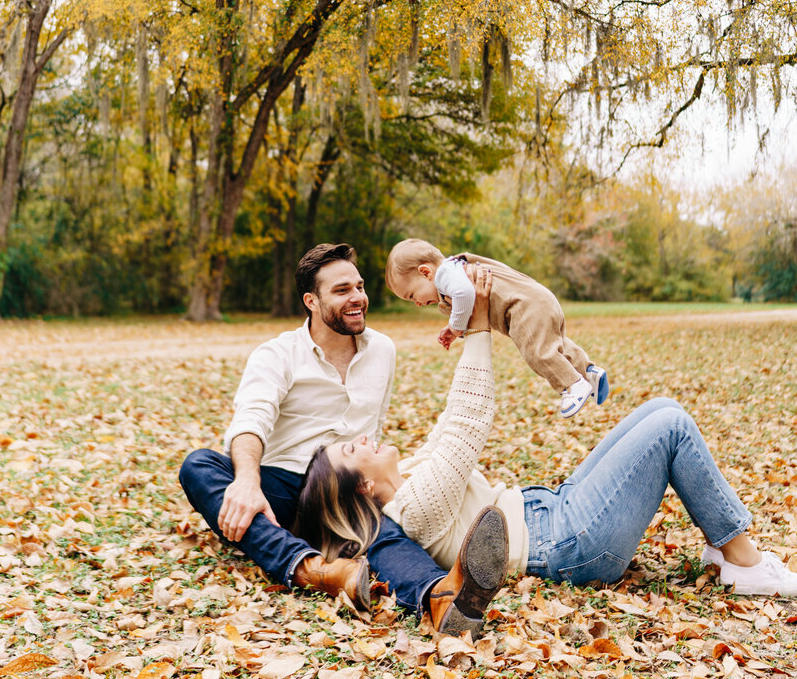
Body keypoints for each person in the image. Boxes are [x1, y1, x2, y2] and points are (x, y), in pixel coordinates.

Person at [296, 270, 797, 598]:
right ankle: (742, 562)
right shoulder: (412, 509)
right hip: (569, 543)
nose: (363, 439)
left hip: (555, 508)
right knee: (672, 427)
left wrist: (476, 315)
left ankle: (720, 540)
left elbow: (451, 419)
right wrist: (477, 327)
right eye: (351, 450)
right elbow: (469, 425)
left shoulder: (412, 474)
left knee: (662, 408)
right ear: (361, 485)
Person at [178, 242, 507, 638]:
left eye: (360, 286)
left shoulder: (382, 349)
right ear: (311, 302)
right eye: (341, 291)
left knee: (381, 532)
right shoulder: (277, 354)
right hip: (283, 489)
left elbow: (376, 426)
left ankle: (439, 597)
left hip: (346, 486)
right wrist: (247, 482)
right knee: (199, 465)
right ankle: (313, 569)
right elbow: (252, 419)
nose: (358, 298)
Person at [385, 238, 608, 418]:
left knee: (537, 352)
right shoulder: (455, 270)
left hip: (524, 307)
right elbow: (466, 302)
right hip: (537, 300)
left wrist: (454, 327)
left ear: (425, 272)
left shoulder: (444, 274)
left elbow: (464, 294)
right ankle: (588, 372)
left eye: (412, 295)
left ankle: (572, 386)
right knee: (555, 345)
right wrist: (452, 327)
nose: (416, 303)